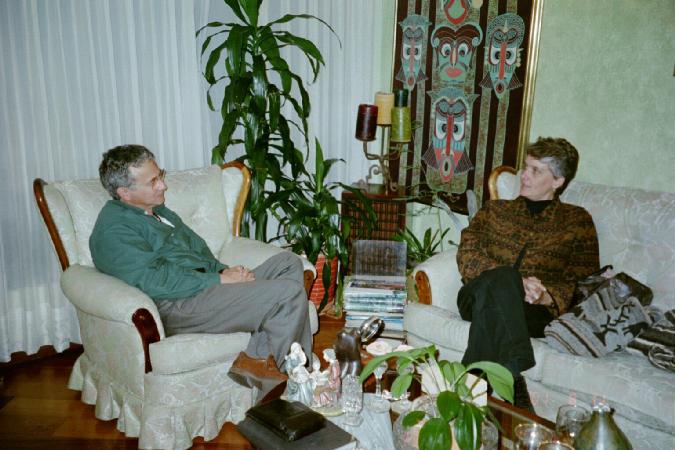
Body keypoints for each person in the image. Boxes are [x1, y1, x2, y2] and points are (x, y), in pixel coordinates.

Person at [89, 144, 312, 394]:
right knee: (287, 294)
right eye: (153, 182)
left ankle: (259, 365)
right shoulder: (114, 230)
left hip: (202, 287)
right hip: (177, 303)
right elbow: (153, 280)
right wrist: (219, 280)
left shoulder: (158, 211)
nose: (163, 185)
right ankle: (292, 390)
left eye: (160, 175)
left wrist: (229, 272)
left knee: (288, 263)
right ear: (125, 193)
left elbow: (197, 253)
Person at [456, 137, 599, 411]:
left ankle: (474, 389)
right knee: (504, 278)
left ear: (558, 181)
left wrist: (548, 297)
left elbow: (585, 282)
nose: (524, 175)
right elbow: (467, 253)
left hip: (533, 312)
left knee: (499, 300)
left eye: (536, 170)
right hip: (475, 297)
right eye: (525, 167)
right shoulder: (496, 211)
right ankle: (513, 367)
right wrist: (516, 281)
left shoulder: (577, 221)